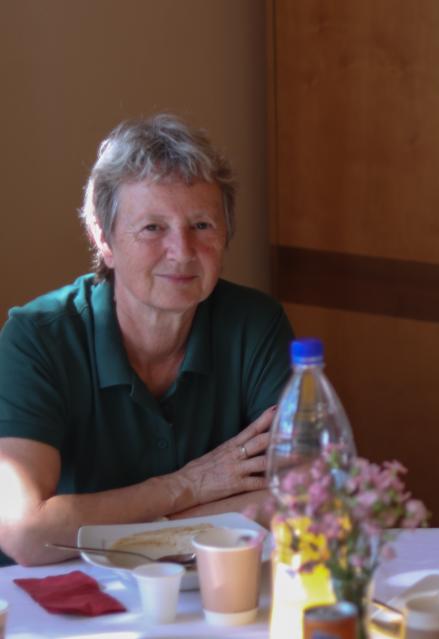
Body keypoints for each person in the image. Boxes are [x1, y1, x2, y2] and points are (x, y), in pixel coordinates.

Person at [0, 114, 294, 566]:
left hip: (207, 584)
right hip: (60, 592)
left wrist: (151, 528)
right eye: (153, 228)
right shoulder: (37, 337)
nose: (182, 251)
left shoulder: (256, 324)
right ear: (104, 238)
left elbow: (301, 495)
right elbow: (25, 532)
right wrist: (188, 485)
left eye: (202, 225)